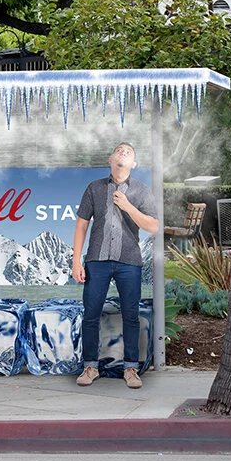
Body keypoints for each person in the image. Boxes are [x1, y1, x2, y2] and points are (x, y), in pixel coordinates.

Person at [71, 142, 158, 389]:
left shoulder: (142, 192)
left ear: (134, 164)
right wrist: (76, 260)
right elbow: (81, 225)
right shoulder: (94, 188)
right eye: (119, 150)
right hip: (96, 260)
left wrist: (128, 205)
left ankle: (131, 368)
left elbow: (153, 226)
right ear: (111, 159)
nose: (124, 152)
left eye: (129, 151)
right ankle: (90, 366)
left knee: (131, 316)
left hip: (129, 261)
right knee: (90, 314)